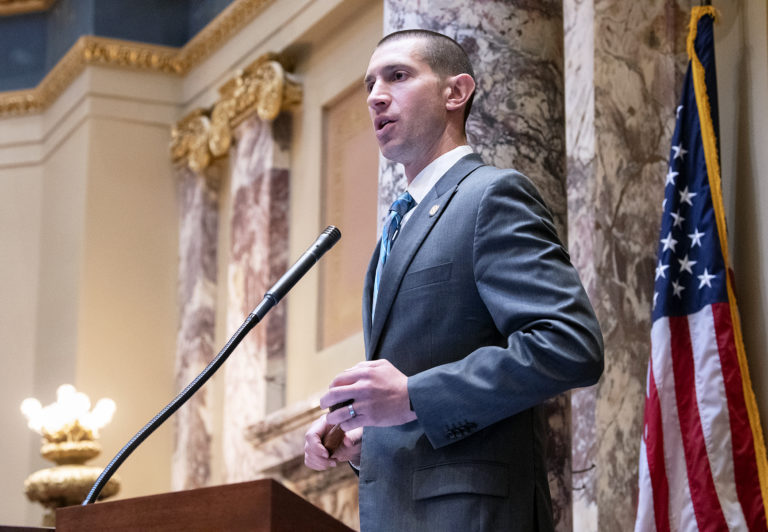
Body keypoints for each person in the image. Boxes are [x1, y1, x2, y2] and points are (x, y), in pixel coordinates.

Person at [304, 29, 603, 531]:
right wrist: (364, 428)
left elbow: (570, 346)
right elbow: (414, 380)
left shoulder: (491, 196)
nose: (376, 95)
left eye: (397, 76)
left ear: (455, 92)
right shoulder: (395, 230)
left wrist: (414, 397)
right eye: (370, 83)